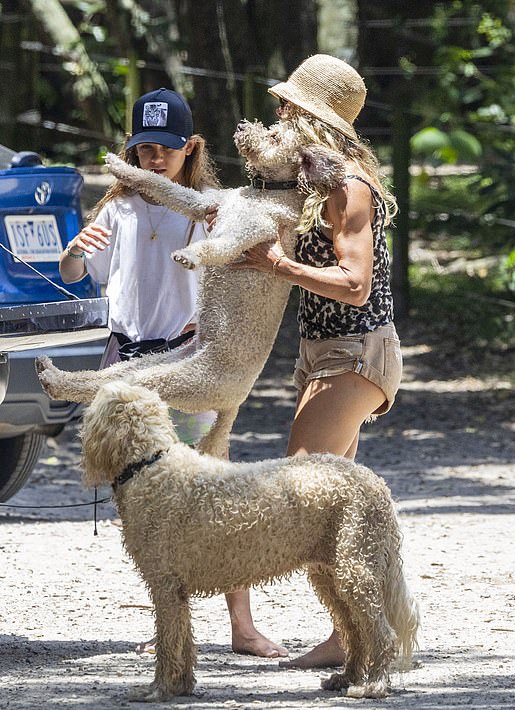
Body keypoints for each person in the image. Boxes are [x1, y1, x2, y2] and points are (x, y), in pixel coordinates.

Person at [59, 87, 287, 659]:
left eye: (165, 148)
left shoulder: (214, 207)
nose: (153, 160)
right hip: (126, 358)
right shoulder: (116, 208)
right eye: (142, 149)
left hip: (187, 361)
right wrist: (74, 251)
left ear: (190, 147)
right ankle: (170, 625)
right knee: (143, 502)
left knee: (215, 484)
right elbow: (79, 275)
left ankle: (243, 624)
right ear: (131, 151)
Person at [231, 54, 403, 669]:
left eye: (288, 108)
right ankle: (350, 634)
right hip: (331, 353)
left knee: (303, 492)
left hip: (354, 351)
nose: (278, 116)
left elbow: (355, 283)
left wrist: (277, 266)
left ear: (312, 117)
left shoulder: (346, 186)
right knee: (329, 507)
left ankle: (367, 634)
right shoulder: (321, 180)